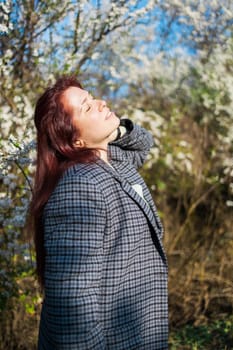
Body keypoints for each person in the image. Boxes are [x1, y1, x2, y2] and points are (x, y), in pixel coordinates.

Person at [31, 75, 168, 350]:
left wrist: (115, 130)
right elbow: (73, 306)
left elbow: (143, 143)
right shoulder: (80, 185)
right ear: (75, 140)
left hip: (138, 332)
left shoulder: (114, 160)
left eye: (92, 97)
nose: (101, 102)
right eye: (87, 107)